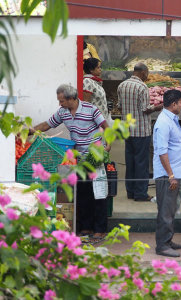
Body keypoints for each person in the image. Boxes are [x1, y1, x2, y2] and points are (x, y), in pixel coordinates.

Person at [28, 84, 110, 240]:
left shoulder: (91, 109)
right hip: (79, 159)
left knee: (98, 194)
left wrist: (109, 144)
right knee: (83, 193)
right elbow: (46, 125)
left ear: (72, 98)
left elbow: (106, 127)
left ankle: (100, 229)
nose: (60, 104)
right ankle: (86, 227)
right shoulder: (63, 112)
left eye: (62, 101)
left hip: (96, 156)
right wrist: (28, 131)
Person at [118, 63, 162, 201]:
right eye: (147, 73)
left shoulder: (122, 85)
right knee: (141, 163)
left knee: (130, 162)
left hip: (127, 130)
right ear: (143, 72)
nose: (147, 75)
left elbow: (119, 107)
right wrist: (157, 107)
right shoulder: (142, 87)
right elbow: (145, 109)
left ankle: (130, 192)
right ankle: (141, 194)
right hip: (141, 131)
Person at [153, 90, 181, 257]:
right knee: (165, 210)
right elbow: (162, 151)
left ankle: (168, 239)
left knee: (171, 209)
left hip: (174, 173)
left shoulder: (171, 119)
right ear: (174, 104)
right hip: (168, 175)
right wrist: (171, 175)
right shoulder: (163, 123)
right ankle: (162, 245)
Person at [83, 58, 111, 123]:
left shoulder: (95, 82)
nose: (100, 69)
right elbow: (86, 103)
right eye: (98, 67)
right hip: (94, 122)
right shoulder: (87, 81)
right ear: (91, 70)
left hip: (101, 121)